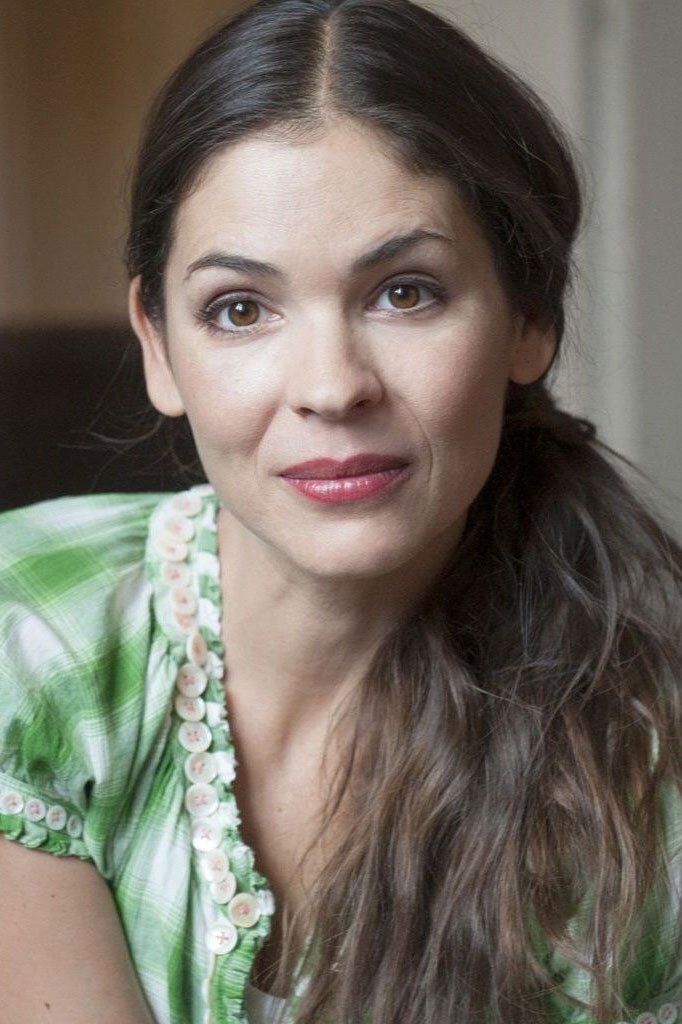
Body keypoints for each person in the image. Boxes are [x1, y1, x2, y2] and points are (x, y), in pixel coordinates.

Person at [1, 1, 682, 1022]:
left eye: (405, 293)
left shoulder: (643, 772)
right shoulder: (27, 636)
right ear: (157, 343)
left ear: (529, 317)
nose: (331, 386)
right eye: (240, 308)